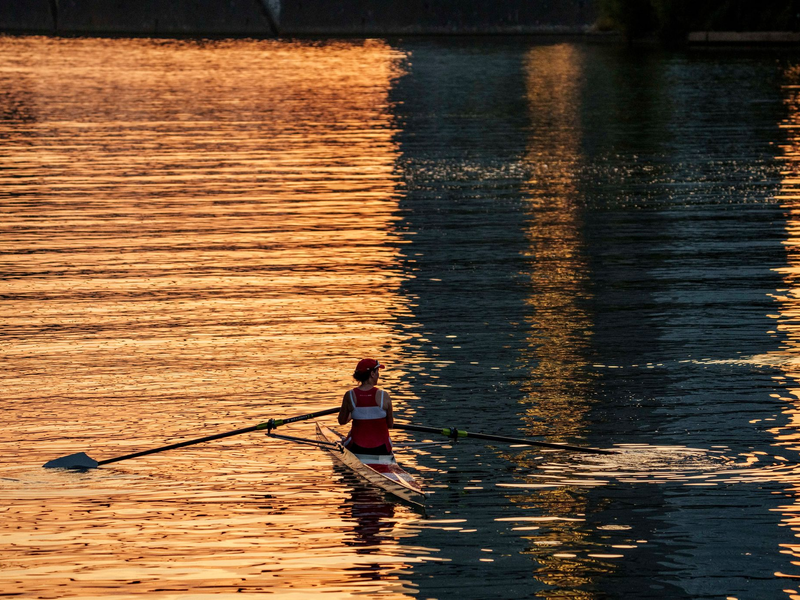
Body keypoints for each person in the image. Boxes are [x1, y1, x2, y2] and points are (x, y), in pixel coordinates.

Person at [338, 358, 393, 455]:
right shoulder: (384, 396)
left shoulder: (349, 395)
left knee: (346, 440)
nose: (378, 375)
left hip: (357, 448)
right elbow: (390, 425)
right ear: (372, 374)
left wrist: (354, 415)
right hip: (382, 449)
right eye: (377, 372)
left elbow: (342, 421)